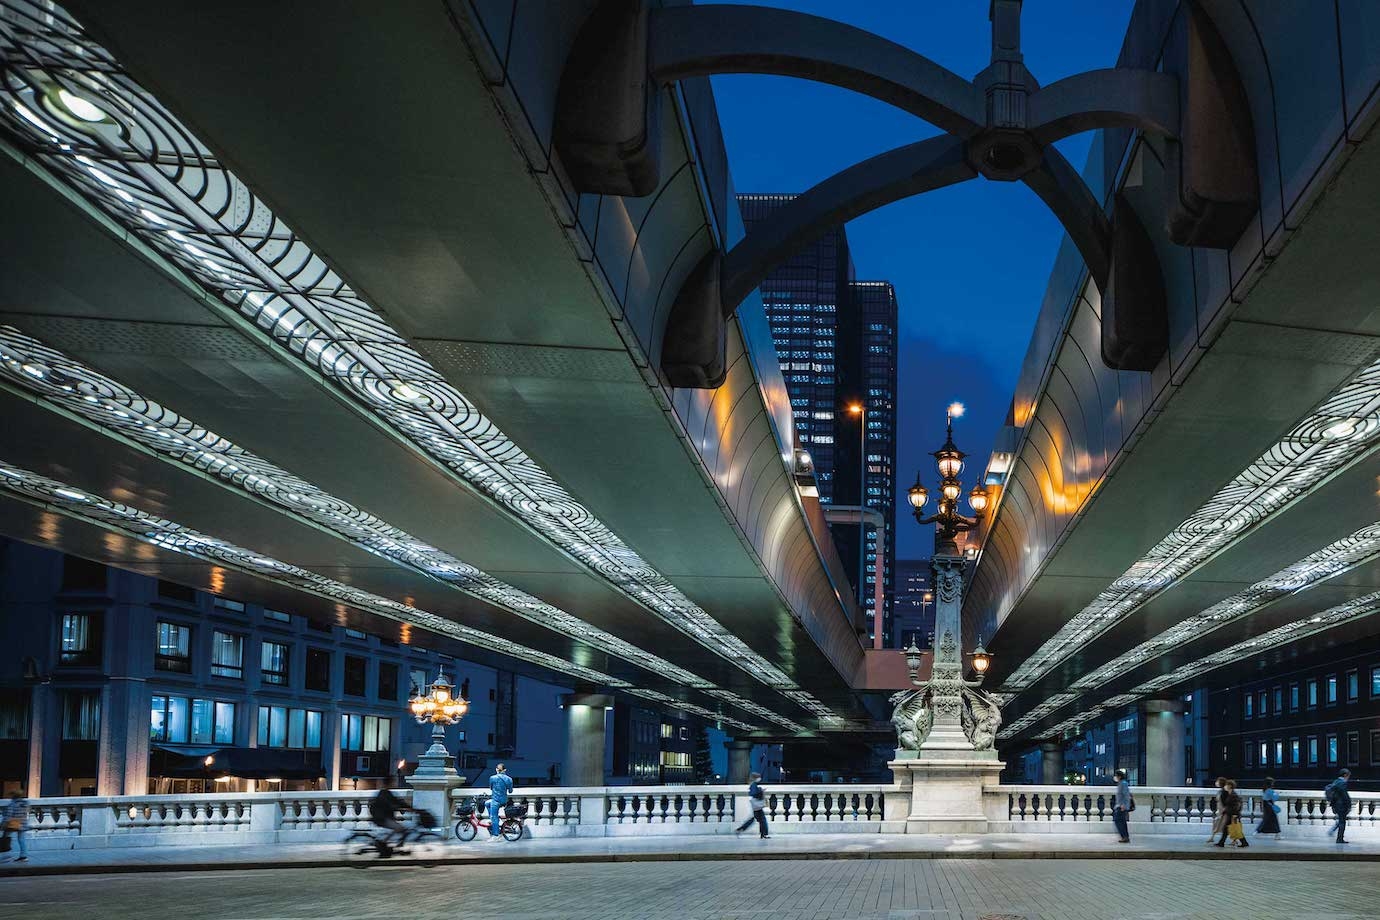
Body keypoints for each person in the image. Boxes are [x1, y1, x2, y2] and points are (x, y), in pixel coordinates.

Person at [367, 786, 406, 855]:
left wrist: (409, 808)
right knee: (399, 828)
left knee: (398, 828)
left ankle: (385, 843)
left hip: (383, 817)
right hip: (381, 818)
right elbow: (392, 804)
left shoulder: (386, 792)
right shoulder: (384, 793)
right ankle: (382, 843)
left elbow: (398, 802)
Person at [734, 772, 769, 839]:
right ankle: (763, 834)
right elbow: (754, 793)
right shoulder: (753, 785)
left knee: (756, 819)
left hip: (756, 805)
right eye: (758, 777)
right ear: (756, 778)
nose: (760, 779)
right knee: (762, 820)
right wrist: (761, 790)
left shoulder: (753, 784)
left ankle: (763, 834)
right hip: (757, 805)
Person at [1215, 779, 1247, 848]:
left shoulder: (1233, 795)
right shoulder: (1230, 794)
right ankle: (1221, 842)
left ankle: (1243, 842)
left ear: (1229, 786)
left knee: (1235, 828)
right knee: (1227, 828)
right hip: (1231, 814)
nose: (1225, 786)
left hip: (1233, 815)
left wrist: (1230, 812)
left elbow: (1236, 806)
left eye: (1226, 785)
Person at [487, 763, 514, 841]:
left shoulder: (492, 778)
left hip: (496, 800)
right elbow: (510, 791)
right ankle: (493, 820)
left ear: (496, 770)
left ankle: (496, 835)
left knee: (494, 816)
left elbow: (491, 788)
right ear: (505, 770)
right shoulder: (509, 779)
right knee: (487, 803)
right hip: (504, 800)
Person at [1324, 769, 1352, 844]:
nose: (1348, 777)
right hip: (1341, 805)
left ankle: (1333, 832)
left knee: (1340, 821)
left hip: (1336, 805)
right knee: (1342, 822)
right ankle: (1340, 839)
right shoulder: (1342, 783)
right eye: (1348, 775)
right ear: (1345, 775)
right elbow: (1344, 795)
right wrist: (1349, 805)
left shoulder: (1336, 781)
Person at [1, 791, 28, 862]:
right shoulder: (25, 803)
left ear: (14, 796)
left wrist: (3, 824)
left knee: (5, 838)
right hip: (23, 824)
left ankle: (5, 856)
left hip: (13, 824)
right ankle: (23, 856)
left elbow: (8, 816)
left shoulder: (13, 804)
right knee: (22, 840)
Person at [1111, 769, 1131, 843]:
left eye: (1116, 776)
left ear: (1119, 776)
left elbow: (1126, 795)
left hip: (1121, 806)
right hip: (1119, 805)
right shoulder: (1120, 783)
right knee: (1122, 822)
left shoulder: (1123, 783)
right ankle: (1125, 837)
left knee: (1118, 820)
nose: (1115, 777)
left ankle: (1124, 836)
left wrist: (1124, 805)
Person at [1205, 776, 1227, 845]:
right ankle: (1213, 838)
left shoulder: (1224, 792)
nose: (1216, 783)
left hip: (1223, 810)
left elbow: (1225, 802)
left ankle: (1213, 838)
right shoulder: (1221, 791)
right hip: (1220, 810)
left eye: (1217, 781)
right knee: (1218, 824)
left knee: (1223, 825)